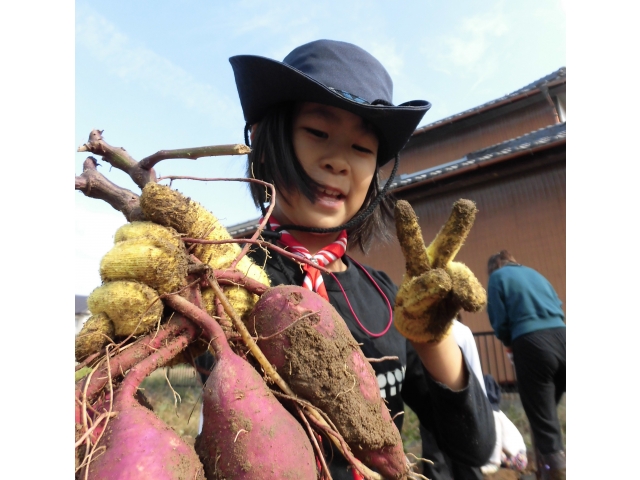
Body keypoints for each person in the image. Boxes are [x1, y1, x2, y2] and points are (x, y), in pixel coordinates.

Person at [199, 39, 496, 480]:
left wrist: (433, 338)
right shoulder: (223, 281)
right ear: (263, 139)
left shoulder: (388, 297)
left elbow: (474, 446)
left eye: (362, 149)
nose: (340, 161)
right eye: (318, 133)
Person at [486, 250, 566, 480]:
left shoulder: (497, 278)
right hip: (563, 337)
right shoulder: (535, 274)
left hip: (532, 343)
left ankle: (556, 474)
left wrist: (509, 343)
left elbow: (499, 319)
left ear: (494, 266)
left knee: (543, 419)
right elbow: (558, 305)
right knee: (546, 411)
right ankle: (544, 470)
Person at [419, 314, 488, 480]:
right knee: (463, 464)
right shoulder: (461, 331)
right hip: (459, 409)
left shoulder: (424, 332)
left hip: (438, 408)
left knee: (437, 463)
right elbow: (476, 373)